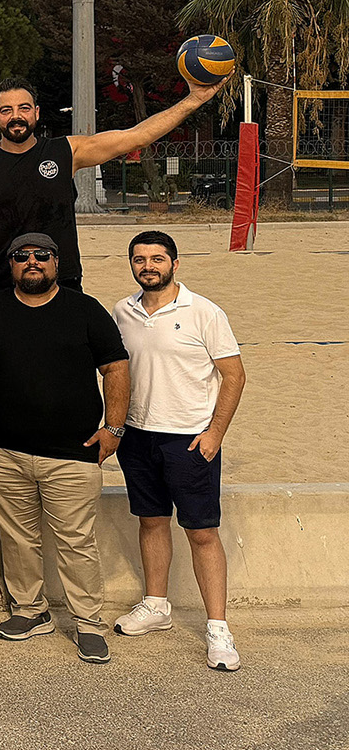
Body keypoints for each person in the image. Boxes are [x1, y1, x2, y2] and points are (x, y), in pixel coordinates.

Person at [0, 231, 130, 665]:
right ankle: (30, 611)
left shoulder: (84, 310)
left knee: (76, 542)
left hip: (72, 453)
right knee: (17, 537)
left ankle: (89, 623)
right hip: (4, 451)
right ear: (11, 265)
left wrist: (114, 428)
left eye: (42, 255)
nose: (32, 262)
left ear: (57, 263)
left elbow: (115, 367)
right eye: (21, 256)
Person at [0, 75, 225, 298]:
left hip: (62, 281)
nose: (16, 116)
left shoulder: (67, 151)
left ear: (36, 112)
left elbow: (136, 138)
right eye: (6, 110)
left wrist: (194, 100)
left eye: (24, 108)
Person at [110, 231, 246, 671]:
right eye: (140, 259)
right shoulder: (122, 312)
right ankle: (156, 605)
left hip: (189, 440)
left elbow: (234, 376)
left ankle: (218, 628)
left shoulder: (204, 312)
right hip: (137, 436)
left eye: (157, 259)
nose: (148, 266)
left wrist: (214, 434)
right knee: (151, 522)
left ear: (175, 263)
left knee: (202, 532)